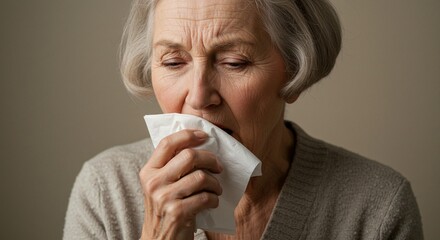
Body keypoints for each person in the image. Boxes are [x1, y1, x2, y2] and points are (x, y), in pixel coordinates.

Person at [63, 0, 423, 239]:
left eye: (234, 62)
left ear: (294, 70)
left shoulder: (377, 206)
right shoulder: (105, 192)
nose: (199, 96)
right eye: (173, 62)